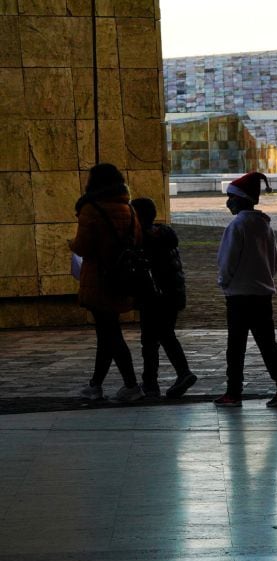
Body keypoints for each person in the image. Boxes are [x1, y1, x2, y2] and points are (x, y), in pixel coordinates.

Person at [214, 172, 277, 408]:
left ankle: (233, 391)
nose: (228, 202)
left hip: (239, 295)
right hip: (263, 293)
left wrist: (224, 281)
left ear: (240, 200)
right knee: (268, 343)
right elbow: (275, 259)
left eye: (230, 198)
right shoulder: (263, 225)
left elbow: (227, 260)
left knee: (236, 346)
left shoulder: (237, 225)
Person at [68, 163, 144, 403]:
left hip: (99, 279)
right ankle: (96, 385)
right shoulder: (129, 209)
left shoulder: (91, 209)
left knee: (110, 334)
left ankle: (131, 385)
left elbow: (83, 246)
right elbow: (137, 240)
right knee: (107, 333)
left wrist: (71, 244)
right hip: (122, 278)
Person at [130, 197, 197, 399]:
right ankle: (158, 380)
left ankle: (157, 381)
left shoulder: (144, 240)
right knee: (164, 335)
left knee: (152, 340)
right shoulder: (165, 234)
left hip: (154, 297)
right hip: (173, 295)